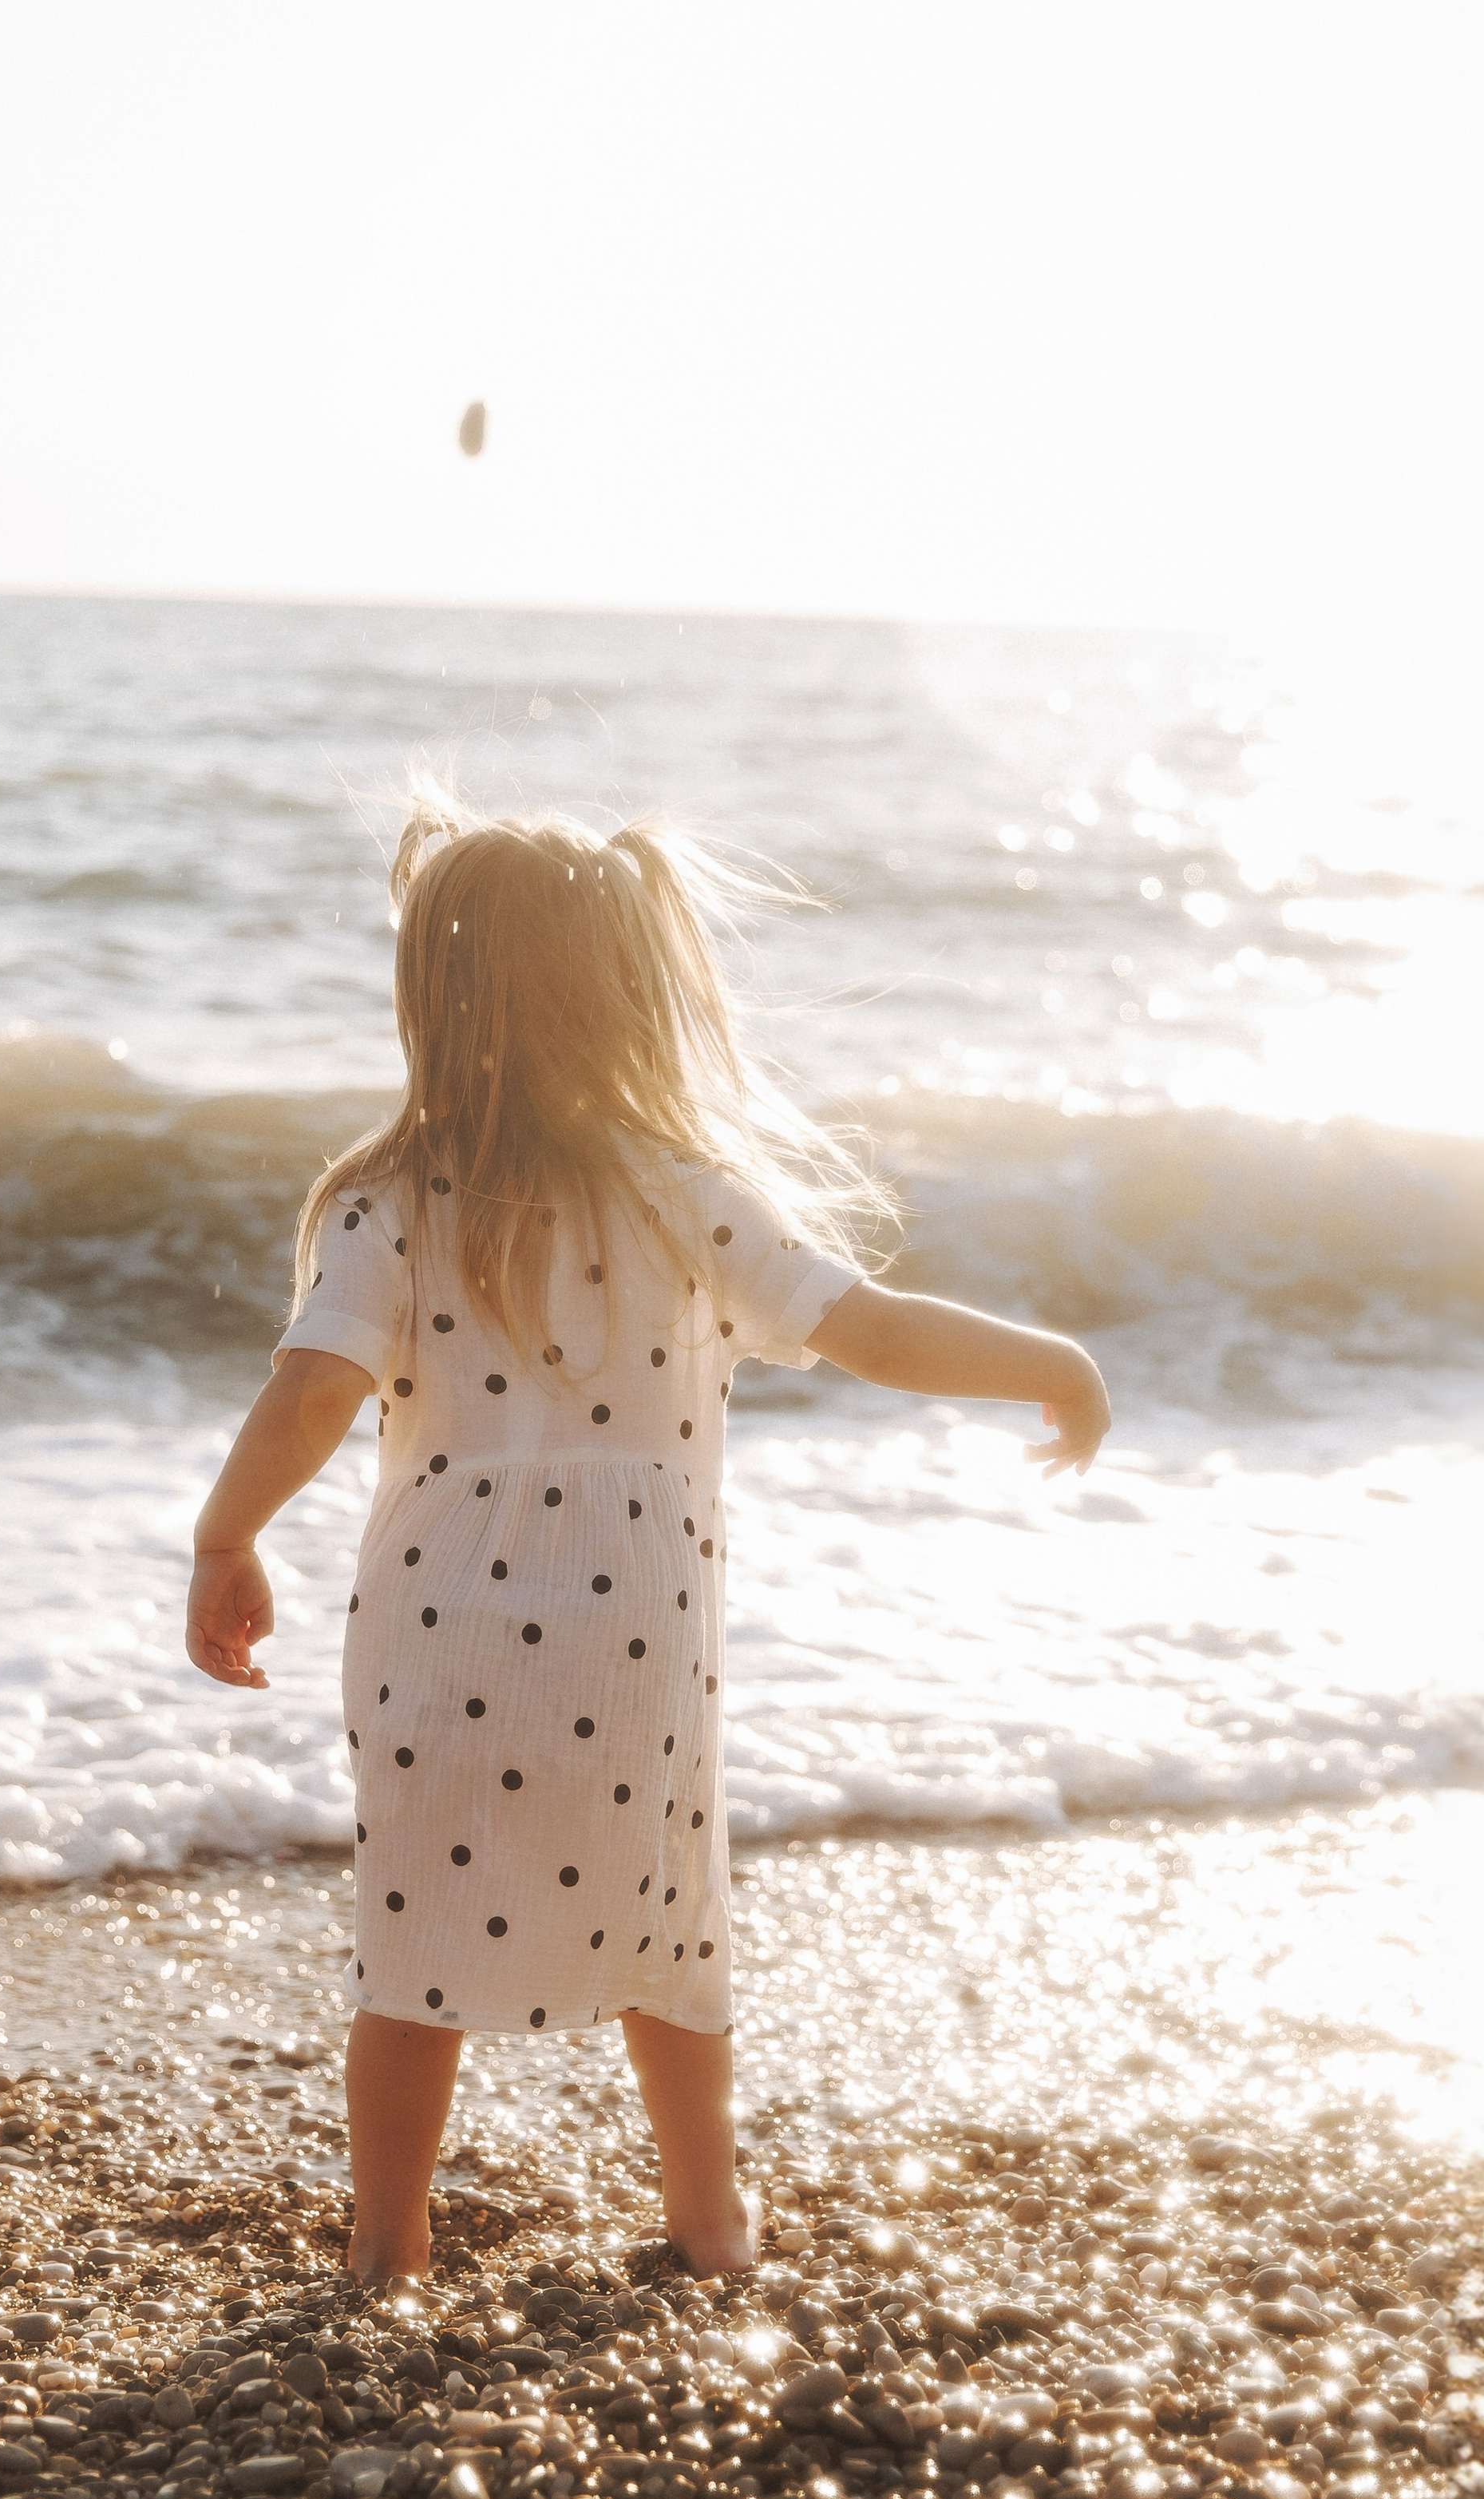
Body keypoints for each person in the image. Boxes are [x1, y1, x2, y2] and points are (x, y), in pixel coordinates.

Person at [186, 798, 1111, 2283]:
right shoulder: (685, 1194)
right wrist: (1046, 1358)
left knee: (412, 1947)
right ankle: (707, 2217)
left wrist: (225, 1535)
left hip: (439, 1637)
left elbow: (310, 1395)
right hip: (639, 1639)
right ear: (630, 993)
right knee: (671, 1932)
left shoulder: (386, 1202)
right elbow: (868, 1327)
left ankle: (388, 2236)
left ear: (431, 995)